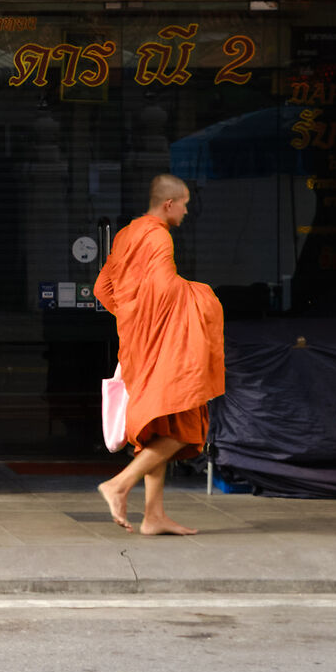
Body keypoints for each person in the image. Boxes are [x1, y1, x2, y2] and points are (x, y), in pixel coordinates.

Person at [95, 174, 225, 535]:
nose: (186, 212)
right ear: (169, 203)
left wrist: (134, 320)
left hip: (139, 345)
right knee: (184, 426)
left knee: (160, 425)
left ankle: (153, 516)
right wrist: (203, 295)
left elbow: (103, 288)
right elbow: (166, 290)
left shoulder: (126, 234)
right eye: (184, 204)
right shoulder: (157, 235)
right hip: (163, 347)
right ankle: (119, 484)